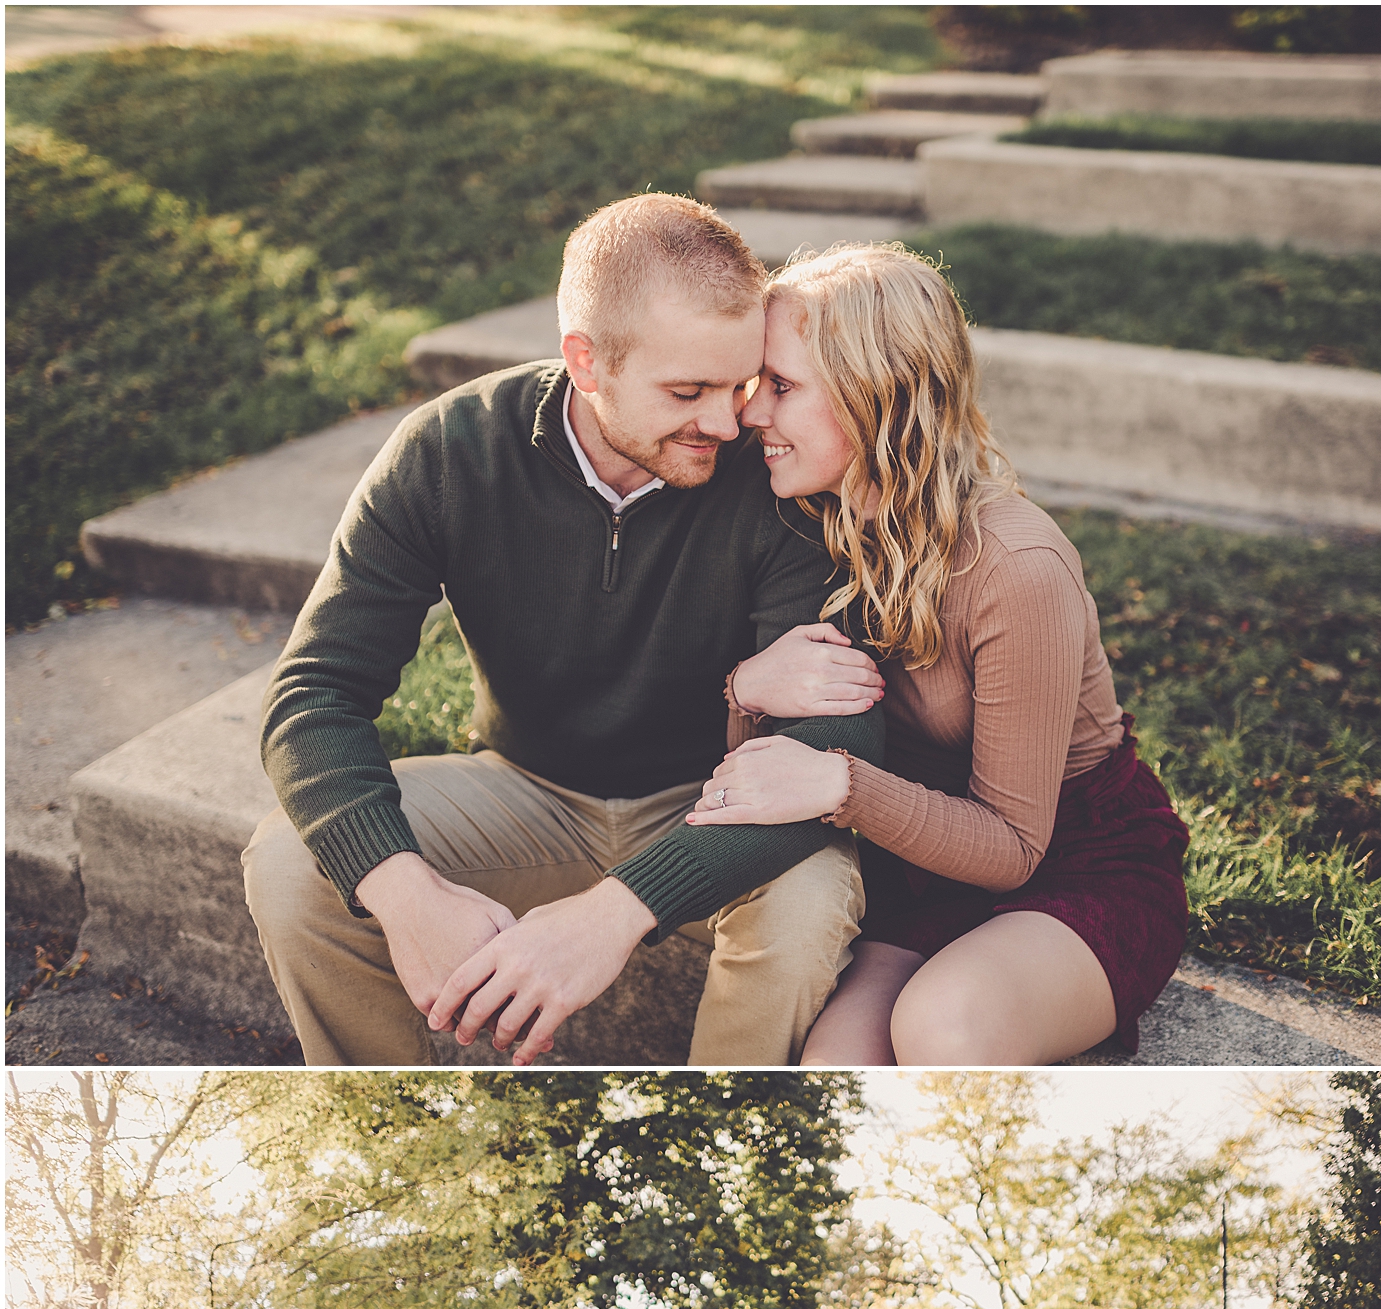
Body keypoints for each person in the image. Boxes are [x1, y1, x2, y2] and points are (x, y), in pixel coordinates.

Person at [243, 193, 886, 1067]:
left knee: (810, 901)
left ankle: (708, 1160)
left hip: (719, 800)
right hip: (526, 792)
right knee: (291, 866)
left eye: (738, 384)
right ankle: (411, 1144)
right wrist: (407, 894)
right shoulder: (449, 453)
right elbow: (312, 695)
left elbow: (839, 740)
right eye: (687, 391)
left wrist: (614, 914)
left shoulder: (776, 475)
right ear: (586, 362)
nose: (728, 422)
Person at [684, 242, 1190, 1067]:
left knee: (942, 1029)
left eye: (780, 387)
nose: (749, 415)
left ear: (872, 394)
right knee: (834, 1069)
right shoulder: (813, 518)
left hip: (1074, 856)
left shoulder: (1016, 568)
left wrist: (841, 785)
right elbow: (766, 761)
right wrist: (744, 691)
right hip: (919, 868)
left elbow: (1014, 847)